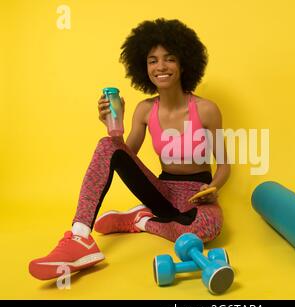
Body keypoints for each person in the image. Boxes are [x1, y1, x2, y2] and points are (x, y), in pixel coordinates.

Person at [29, 18, 230, 280]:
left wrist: (212, 188)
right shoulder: (146, 110)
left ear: (183, 63)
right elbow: (126, 157)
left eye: (169, 58)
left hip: (197, 194)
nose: (161, 66)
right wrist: (115, 128)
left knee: (205, 230)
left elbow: (225, 166)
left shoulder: (206, 109)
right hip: (163, 191)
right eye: (152, 60)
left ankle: (140, 220)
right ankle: (80, 238)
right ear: (143, 67)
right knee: (107, 145)